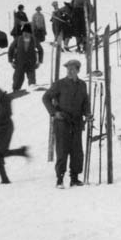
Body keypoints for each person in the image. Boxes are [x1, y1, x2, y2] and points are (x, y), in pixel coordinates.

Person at [42, 59, 90, 188]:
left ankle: (74, 178)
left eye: (73, 69)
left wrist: (88, 114)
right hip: (62, 121)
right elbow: (46, 97)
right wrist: (54, 113)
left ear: (78, 70)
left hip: (77, 122)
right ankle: (60, 179)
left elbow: (85, 101)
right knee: (62, 150)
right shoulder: (59, 84)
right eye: (68, 69)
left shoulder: (82, 85)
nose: (70, 71)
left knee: (77, 151)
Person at [7, 24, 44, 91]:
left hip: (31, 63)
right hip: (19, 63)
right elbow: (11, 49)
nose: (26, 34)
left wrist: (40, 61)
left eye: (28, 33)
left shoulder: (34, 39)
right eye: (24, 32)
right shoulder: (18, 39)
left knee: (32, 81)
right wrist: (10, 61)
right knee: (17, 80)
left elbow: (40, 50)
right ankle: (15, 90)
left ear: (30, 33)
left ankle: (33, 91)